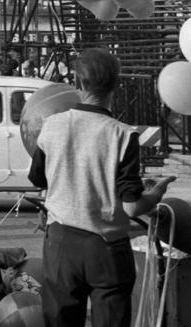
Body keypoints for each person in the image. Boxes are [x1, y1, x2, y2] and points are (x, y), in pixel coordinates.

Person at [28, 48, 174, 327]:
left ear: (78, 83)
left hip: (61, 244)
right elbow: (132, 205)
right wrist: (156, 194)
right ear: (115, 85)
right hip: (106, 250)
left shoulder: (52, 125)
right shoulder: (122, 134)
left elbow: (37, 178)